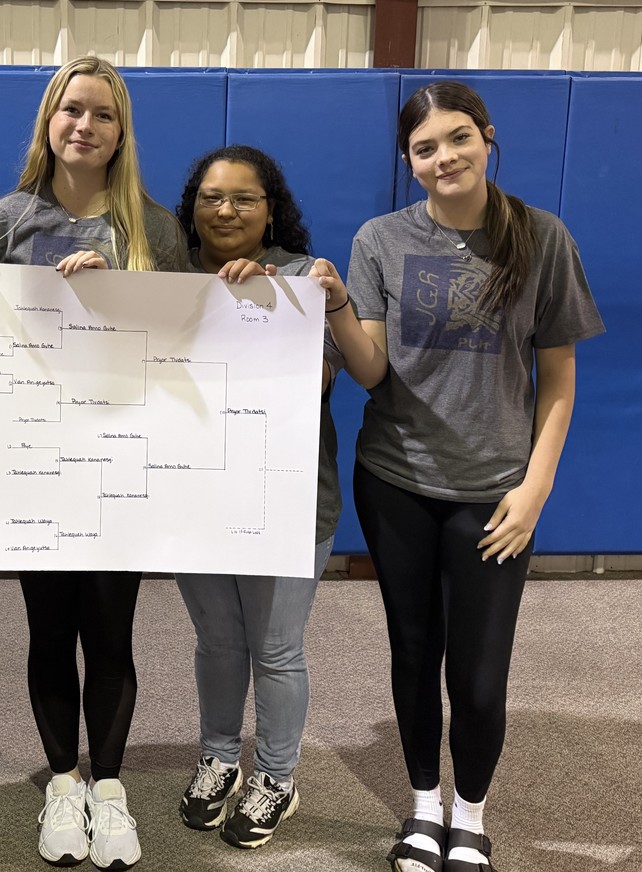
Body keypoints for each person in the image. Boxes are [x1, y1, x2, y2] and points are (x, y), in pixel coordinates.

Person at [311, 81, 604, 872]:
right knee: (413, 651)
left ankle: (470, 813)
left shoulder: (542, 239)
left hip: (494, 493)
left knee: (477, 674)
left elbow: (560, 380)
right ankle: (420, 808)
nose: (445, 157)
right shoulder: (381, 239)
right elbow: (372, 371)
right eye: (425, 148)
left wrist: (534, 487)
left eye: (458, 139)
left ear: (487, 137)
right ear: (410, 162)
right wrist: (338, 302)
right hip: (395, 479)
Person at [0, 55, 187, 870]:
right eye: (71, 110)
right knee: (49, 629)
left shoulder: (155, 227)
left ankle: (108, 790)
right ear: (49, 121)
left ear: (123, 132)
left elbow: (186, 345)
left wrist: (125, 292)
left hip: (120, 460)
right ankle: (61, 781)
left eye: (104, 114)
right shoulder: (0, 221)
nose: (86, 126)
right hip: (32, 463)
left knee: (111, 631)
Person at [173, 145, 343, 850]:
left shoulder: (304, 279)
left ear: (272, 208)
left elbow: (327, 380)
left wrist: (269, 308)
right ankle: (218, 758)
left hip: (287, 499)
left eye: (245, 197)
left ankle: (276, 776)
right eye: (212, 196)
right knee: (217, 639)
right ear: (192, 207)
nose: (226, 210)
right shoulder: (167, 280)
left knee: (275, 648)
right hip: (193, 492)